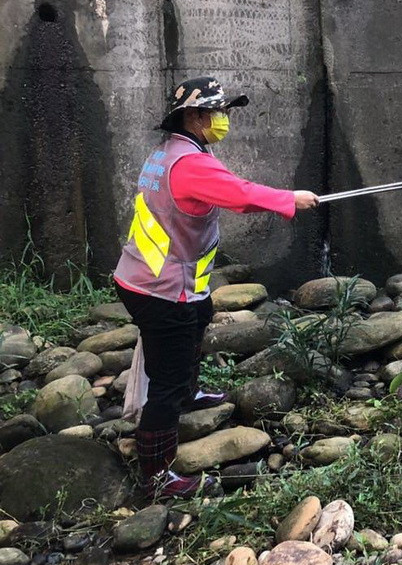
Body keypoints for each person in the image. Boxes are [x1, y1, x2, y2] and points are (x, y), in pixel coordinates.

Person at [113, 77, 319, 498]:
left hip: (157, 279)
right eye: (218, 111)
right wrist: (288, 199)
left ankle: (189, 393)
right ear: (193, 116)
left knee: (199, 319)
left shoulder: (172, 153)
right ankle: (155, 477)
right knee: (165, 381)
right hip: (160, 286)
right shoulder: (190, 164)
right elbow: (238, 194)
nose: (224, 119)